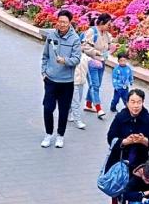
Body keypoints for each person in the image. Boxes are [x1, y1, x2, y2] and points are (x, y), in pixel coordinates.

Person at [104, 88, 149, 204]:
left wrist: (144, 140)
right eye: (133, 102)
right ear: (127, 103)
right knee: (119, 194)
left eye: (139, 102)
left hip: (140, 163)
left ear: (143, 103)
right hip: (121, 161)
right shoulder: (120, 117)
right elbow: (111, 137)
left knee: (137, 195)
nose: (136, 105)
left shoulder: (147, 118)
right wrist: (125, 141)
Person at [39, 9, 83, 148]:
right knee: (47, 108)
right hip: (51, 80)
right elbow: (45, 55)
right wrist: (44, 71)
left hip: (66, 82)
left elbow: (77, 59)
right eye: (60, 21)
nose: (62, 24)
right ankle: (48, 134)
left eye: (65, 22)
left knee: (63, 110)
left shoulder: (75, 39)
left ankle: (60, 136)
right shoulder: (51, 35)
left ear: (70, 23)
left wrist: (65, 61)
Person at [83, 13, 113, 118]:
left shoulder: (106, 34)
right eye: (108, 24)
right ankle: (98, 108)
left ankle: (88, 104)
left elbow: (108, 46)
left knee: (96, 84)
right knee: (95, 85)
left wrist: (113, 48)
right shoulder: (92, 32)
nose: (109, 26)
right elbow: (85, 47)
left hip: (101, 62)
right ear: (101, 23)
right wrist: (97, 53)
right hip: (92, 62)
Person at [69, 33, 88, 131]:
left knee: (77, 100)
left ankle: (68, 113)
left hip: (82, 82)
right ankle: (78, 120)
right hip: (74, 82)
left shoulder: (85, 56)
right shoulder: (73, 55)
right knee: (76, 102)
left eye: (85, 43)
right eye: (82, 43)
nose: (84, 45)